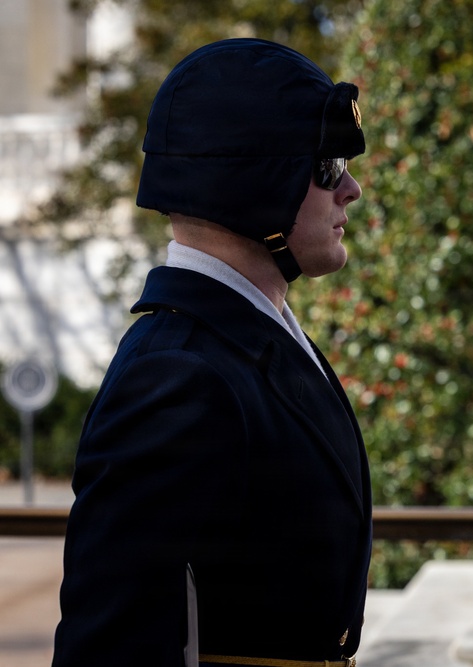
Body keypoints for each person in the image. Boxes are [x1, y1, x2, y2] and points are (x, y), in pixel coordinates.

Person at [53, 38, 371, 667]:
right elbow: (111, 647)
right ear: (257, 178)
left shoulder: (247, 335)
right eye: (327, 166)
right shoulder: (178, 375)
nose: (352, 188)